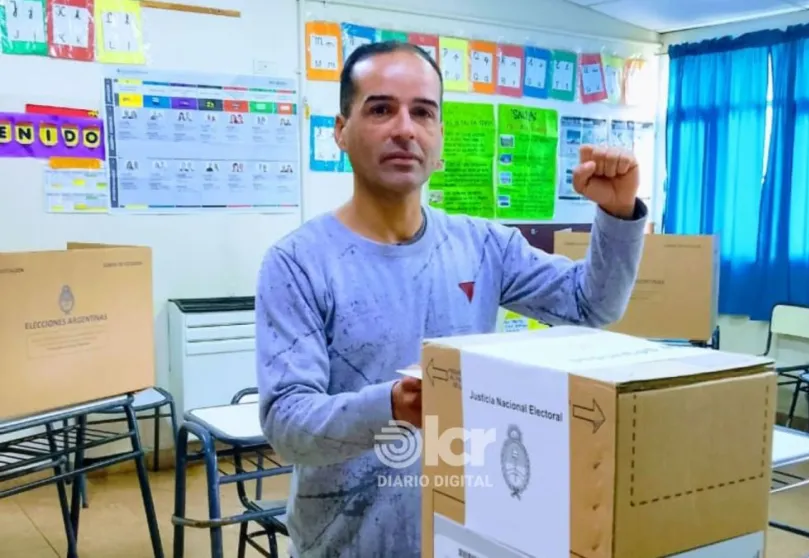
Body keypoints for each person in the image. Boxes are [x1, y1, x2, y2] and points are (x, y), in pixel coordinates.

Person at [255, 41, 648, 558]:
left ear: (438, 138)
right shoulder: (298, 262)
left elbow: (589, 305)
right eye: (380, 109)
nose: (404, 128)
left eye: (422, 112)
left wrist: (618, 216)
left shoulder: (485, 245)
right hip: (347, 540)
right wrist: (392, 406)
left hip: (467, 528)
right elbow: (288, 425)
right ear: (341, 131)